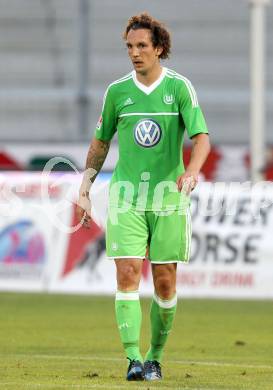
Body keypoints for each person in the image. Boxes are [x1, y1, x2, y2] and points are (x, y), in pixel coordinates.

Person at [76, 13, 210, 382]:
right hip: (127, 196)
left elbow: (201, 138)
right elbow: (101, 142)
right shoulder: (117, 92)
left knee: (165, 281)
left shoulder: (180, 88)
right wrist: (85, 187)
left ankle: (155, 356)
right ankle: (133, 359)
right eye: (130, 47)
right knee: (127, 272)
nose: (135, 54)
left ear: (159, 49)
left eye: (142, 46)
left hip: (169, 196)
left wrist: (193, 170)